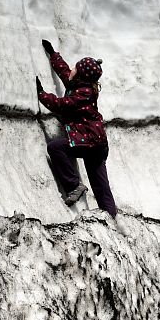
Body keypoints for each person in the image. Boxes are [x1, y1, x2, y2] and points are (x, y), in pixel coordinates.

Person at [36, 40, 118, 217]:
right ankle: (111, 217)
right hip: (95, 142)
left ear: (80, 75)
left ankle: (74, 185)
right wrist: (53, 54)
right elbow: (65, 72)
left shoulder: (83, 94)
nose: (71, 69)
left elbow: (61, 104)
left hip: (91, 143)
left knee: (55, 147)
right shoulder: (79, 85)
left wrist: (41, 94)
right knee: (101, 186)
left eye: (76, 68)